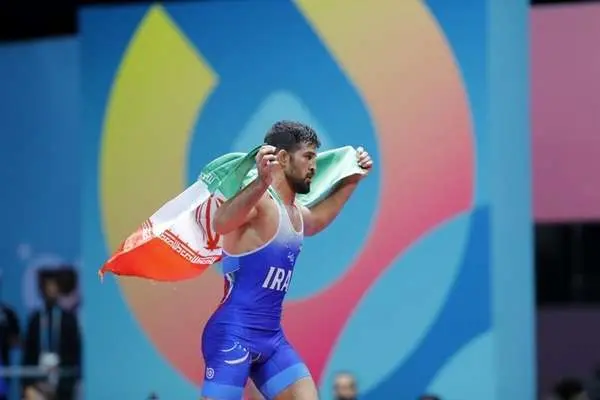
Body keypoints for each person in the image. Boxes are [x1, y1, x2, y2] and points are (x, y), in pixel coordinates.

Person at [200, 121, 373, 400]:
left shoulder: (295, 213)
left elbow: (317, 220)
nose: (314, 166)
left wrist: (352, 179)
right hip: (232, 335)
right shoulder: (260, 203)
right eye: (308, 157)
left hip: (271, 340)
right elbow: (220, 223)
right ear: (282, 158)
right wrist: (261, 182)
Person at [22, 270, 82, 400]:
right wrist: (28, 383)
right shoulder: (35, 319)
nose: (51, 290)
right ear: (42, 289)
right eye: (47, 286)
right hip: (38, 382)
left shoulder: (68, 319)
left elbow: (74, 351)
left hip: (62, 382)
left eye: (53, 286)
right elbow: (28, 353)